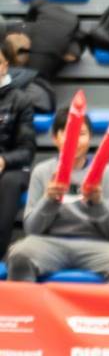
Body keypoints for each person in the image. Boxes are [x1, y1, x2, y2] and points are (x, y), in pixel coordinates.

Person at [3, 103, 109, 285]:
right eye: (68, 133)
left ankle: (102, 305)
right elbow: (31, 229)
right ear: (55, 138)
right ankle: (28, 304)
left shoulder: (106, 172)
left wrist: (97, 203)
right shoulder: (42, 171)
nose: (75, 140)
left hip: (94, 245)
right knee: (20, 253)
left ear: (90, 138)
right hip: (48, 243)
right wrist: (49, 199)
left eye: (81, 134)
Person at [0, 37, 35, 254]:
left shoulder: (21, 100)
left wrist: (4, 160)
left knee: (9, 182)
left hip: (12, 168)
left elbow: (27, 150)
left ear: (5, 65)